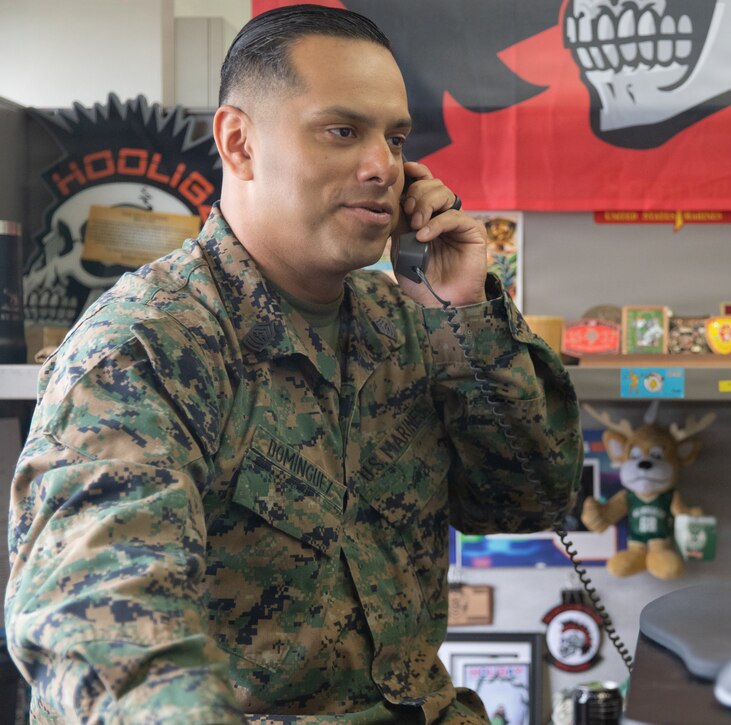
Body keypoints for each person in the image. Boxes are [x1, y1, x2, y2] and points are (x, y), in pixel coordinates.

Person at [5, 5, 582, 723]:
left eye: (395, 138)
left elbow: (529, 498)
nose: (383, 167)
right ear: (239, 143)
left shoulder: (409, 322)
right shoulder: (149, 345)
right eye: (342, 131)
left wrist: (462, 314)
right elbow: (101, 619)